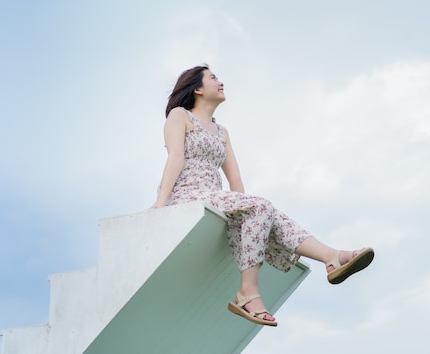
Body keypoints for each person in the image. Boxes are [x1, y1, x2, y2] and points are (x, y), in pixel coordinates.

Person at [151, 63, 374, 327]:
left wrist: (243, 215)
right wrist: (161, 202)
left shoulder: (222, 132)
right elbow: (175, 157)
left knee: (266, 210)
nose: (221, 82)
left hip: (213, 196)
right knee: (261, 206)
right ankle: (247, 293)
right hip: (187, 195)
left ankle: (331, 257)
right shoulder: (180, 115)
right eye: (213, 78)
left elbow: (235, 179)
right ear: (197, 88)